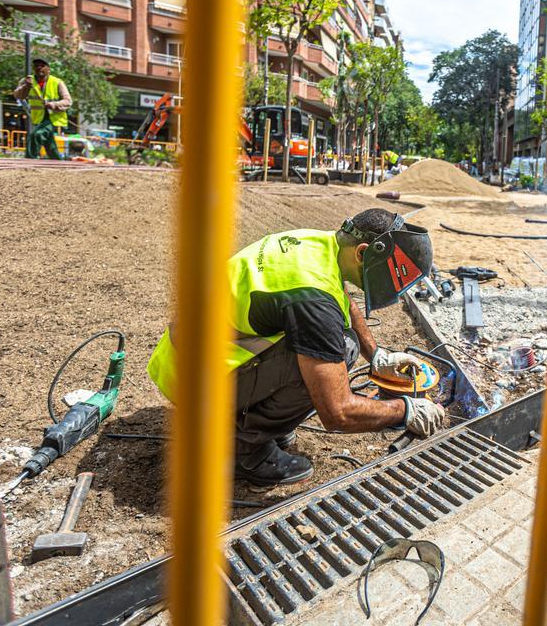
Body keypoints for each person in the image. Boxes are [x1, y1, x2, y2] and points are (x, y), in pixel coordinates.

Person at [147, 208, 447, 486]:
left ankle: (257, 419)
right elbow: (337, 411)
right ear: (364, 253)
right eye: (392, 278)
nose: (393, 288)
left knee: (341, 344)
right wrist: (405, 411)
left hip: (183, 358)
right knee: (338, 350)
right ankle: (243, 452)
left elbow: (340, 290)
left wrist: (377, 354)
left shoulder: (321, 245)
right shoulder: (312, 297)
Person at [13, 58, 71, 160]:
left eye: (42, 65)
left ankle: (30, 160)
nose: (39, 67)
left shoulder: (57, 82)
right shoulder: (27, 81)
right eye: (36, 66)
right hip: (38, 118)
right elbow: (18, 96)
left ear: (48, 69)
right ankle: (58, 162)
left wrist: (54, 104)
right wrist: (26, 86)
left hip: (54, 118)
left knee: (36, 135)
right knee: (49, 144)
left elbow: (68, 101)